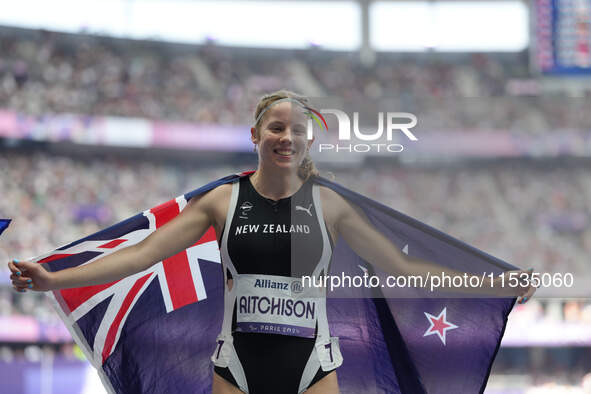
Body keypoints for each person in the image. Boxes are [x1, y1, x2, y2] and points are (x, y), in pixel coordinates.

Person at [8, 90, 536, 394]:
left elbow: (410, 271)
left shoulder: (330, 207)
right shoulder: (221, 202)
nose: (287, 137)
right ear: (255, 135)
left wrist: (496, 282)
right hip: (237, 362)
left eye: (297, 130)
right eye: (276, 127)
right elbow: (142, 256)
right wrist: (55, 277)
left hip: (314, 364)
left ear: (307, 141)